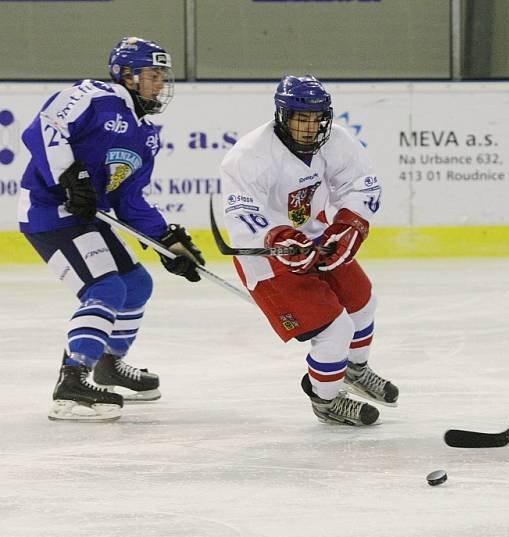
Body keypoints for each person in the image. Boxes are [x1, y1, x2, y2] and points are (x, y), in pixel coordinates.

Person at [18, 37, 205, 421]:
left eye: (161, 77)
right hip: (50, 211)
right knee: (106, 288)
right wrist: (71, 176)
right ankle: (71, 383)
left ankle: (107, 365)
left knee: (137, 285)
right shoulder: (94, 95)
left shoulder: (146, 134)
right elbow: (43, 128)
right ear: (127, 75)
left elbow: (130, 201)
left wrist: (167, 242)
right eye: (152, 76)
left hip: (88, 216)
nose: (160, 85)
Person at [219, 75, 397, 426]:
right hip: (267, 259)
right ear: (282, 116)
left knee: (363, 301)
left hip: (317, 237)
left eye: (316, 118)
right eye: (301, 118)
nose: (309, 126)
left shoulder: (334, 140)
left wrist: (349, 227)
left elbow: (362, 182)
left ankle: (354, 371)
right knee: (334, 332)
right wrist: (280, 239)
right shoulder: (249, 155)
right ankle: (325, 400)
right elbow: (242, 214)